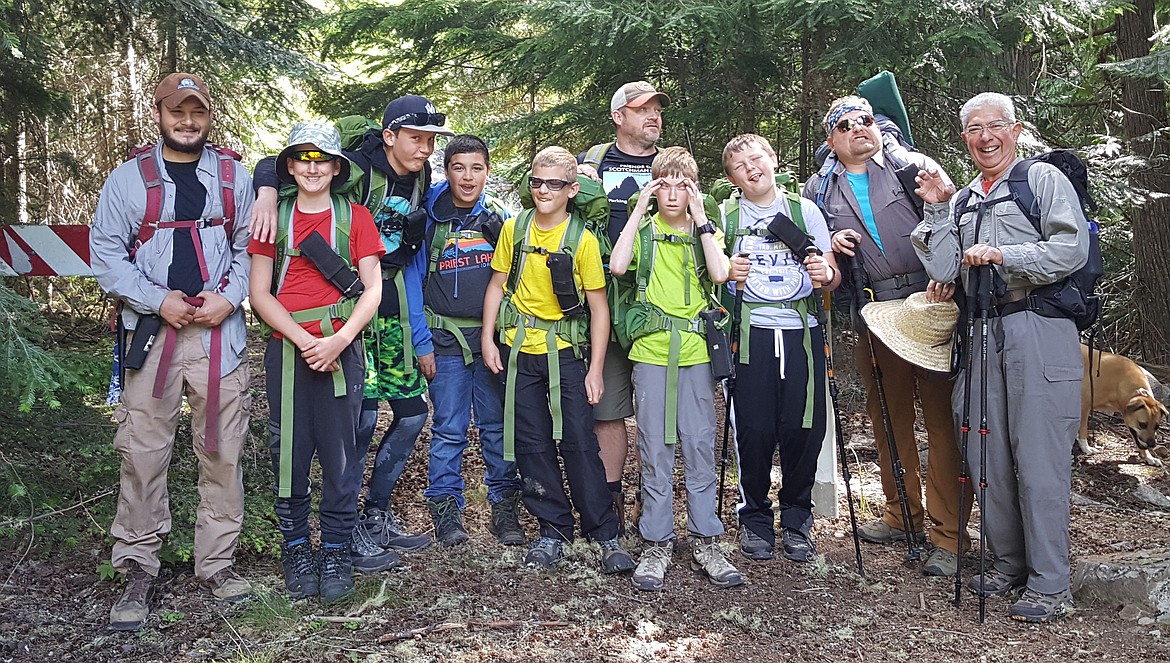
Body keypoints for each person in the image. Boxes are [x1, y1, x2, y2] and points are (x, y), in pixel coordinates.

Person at [251, 95, 452, 564]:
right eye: (416, 139)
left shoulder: (420, 175)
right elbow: (283, 164)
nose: (425, 149)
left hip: (390, 307)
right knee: (356, 423)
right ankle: (342, 533)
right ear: (389, 136)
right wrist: (265, 189)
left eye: (429, 141)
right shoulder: (356, 169)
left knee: (410, 415)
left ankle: (372, 516)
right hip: (346, 317)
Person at [913, 92, 1088, 623]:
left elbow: (1070, 249)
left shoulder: (1041, 181)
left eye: (994, 126)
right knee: (985, 455)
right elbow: (945, 266)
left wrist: (1004, 254)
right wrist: (940, 206)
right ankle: (1010, 563)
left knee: (1039, 460)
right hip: (981, 333)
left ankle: (1050, 584)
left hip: (1038, 327)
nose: (985, 137)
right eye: (973, 129)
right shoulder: (964, 198)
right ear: (963, 138)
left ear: (1014, 130)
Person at [90, 73, 255, 630]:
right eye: (178, 112)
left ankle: (218, 564)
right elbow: (106, 253)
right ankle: (138, 565)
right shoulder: (127, 181)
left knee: (222, 450)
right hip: (152, 336)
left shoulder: (233, 177)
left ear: (209, 117)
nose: (188, 122)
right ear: (159, 114)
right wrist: (157, 299)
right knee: (142, 452)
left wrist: (228, 300)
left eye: (198, 113)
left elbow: (251, 250)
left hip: (218, 337)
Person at [803, 95, 971, 577]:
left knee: (941, 421)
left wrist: (952, 275)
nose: (860, 129)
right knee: (887, 417)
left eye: (866, 121)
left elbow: (956, 222)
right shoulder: (819, 188)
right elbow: (815, 248)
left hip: (932, 306)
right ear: (832, 140)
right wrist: (832, 246)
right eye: (847, 125)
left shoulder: (912, 167)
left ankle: (947, 534)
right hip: (874, 313)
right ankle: (901, 515)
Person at [248, 121, 386, 603]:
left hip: (342, 349)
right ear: (290, 166)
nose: (312, 167)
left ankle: (335, 548)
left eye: (321, 159)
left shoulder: (356, 219)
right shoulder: (275, 218)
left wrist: (340, 339)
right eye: (302, 159)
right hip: (288, 350)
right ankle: (295, 549)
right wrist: (302, 340)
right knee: (289, 450)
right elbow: (258, 292)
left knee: (340, 451)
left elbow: (373, 290)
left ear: (335, 167)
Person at [481, 146, 636, 572]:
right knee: (531, 445)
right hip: (518, 353)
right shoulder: (515, 228)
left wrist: (596, 369)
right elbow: (497, 285)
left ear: (571, 190)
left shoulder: (581, 239)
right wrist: (488, 339)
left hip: (566, 354)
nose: (543, 190)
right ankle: (552, 529)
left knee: (580, 444)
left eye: (553, 184)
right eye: (536, 182)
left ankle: (603, 532)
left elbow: (599, 308)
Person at [608, 146, 742, 591]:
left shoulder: (707, 230)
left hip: (696, 352)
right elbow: (618, 264)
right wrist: (638, 209)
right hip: (651, 352)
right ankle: (657, 542)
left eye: (680, 185)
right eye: (662, 183)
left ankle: (706, 538)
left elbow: (720, 274)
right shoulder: (643, 231)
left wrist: (701, 216)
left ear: (693, 189)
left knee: (701, 445)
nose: (671, 194)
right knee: (654, 448)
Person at [720, 134, 841, 564]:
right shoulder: (726, 216)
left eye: (757, 159)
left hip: (801, 331)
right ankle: (753, 519)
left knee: (803, 428)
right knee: (753, 429)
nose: (751, 169)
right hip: (750, 334)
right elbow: (711, 277)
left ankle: (796, 519)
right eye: (739, 166)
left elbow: (832, 274)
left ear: (773, 160)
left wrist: (824, 272)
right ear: (731, 178)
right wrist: (726, 273)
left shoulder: (803, 211)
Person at [421, 134, 524, 546]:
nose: (468, 177)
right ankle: (446, 511)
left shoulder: (499, 219)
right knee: (448, 427)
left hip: (491, 339)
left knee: (497, 425)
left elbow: (515, 280)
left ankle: (504, 506)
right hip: (443, 338)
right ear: (446, 171)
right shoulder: (428, 216)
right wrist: (419, 339)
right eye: (458, 167)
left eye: (477, 168)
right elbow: (411, 278)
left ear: (487, 171)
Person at [577, 81, 670, 527]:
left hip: (657, 304)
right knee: (608, 410)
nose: (653, 116)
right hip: (603, 304)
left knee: (658, 411)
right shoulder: (591, 164)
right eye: (641, 110)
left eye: (656, 109)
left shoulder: (671, 168)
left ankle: (655, 505)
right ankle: (611, 503)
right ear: (618, 117)